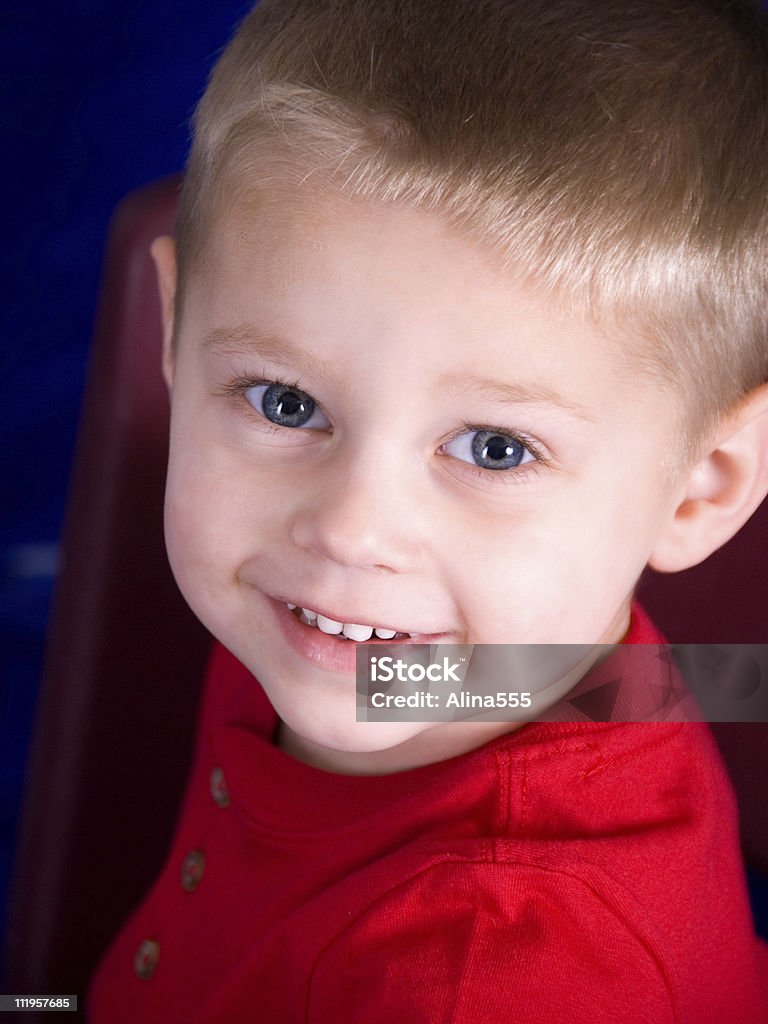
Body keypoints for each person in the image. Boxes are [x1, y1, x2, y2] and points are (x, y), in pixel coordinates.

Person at [87, 0, 768, 1019]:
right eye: (287, 403)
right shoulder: (363, 643)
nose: (349, 527)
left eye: (495, 448)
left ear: (700, 483)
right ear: (176, 331)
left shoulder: (490, 976)